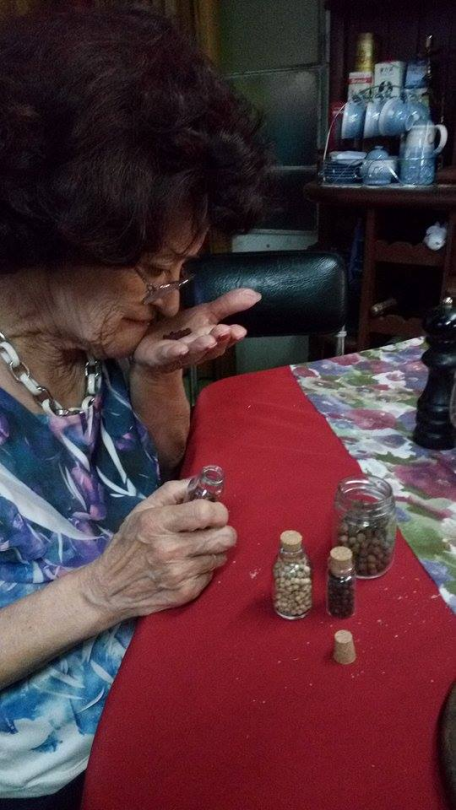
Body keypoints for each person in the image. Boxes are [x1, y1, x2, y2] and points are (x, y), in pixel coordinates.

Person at [0, 6, 270, 807]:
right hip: (51, 768)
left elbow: (157, 468)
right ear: (57, 230)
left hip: (157, 680)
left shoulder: (88, 337)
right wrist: (101, 592)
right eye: (154, 270)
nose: (169, 300)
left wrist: (154, 376)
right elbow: (109, 573)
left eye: (180, 271)